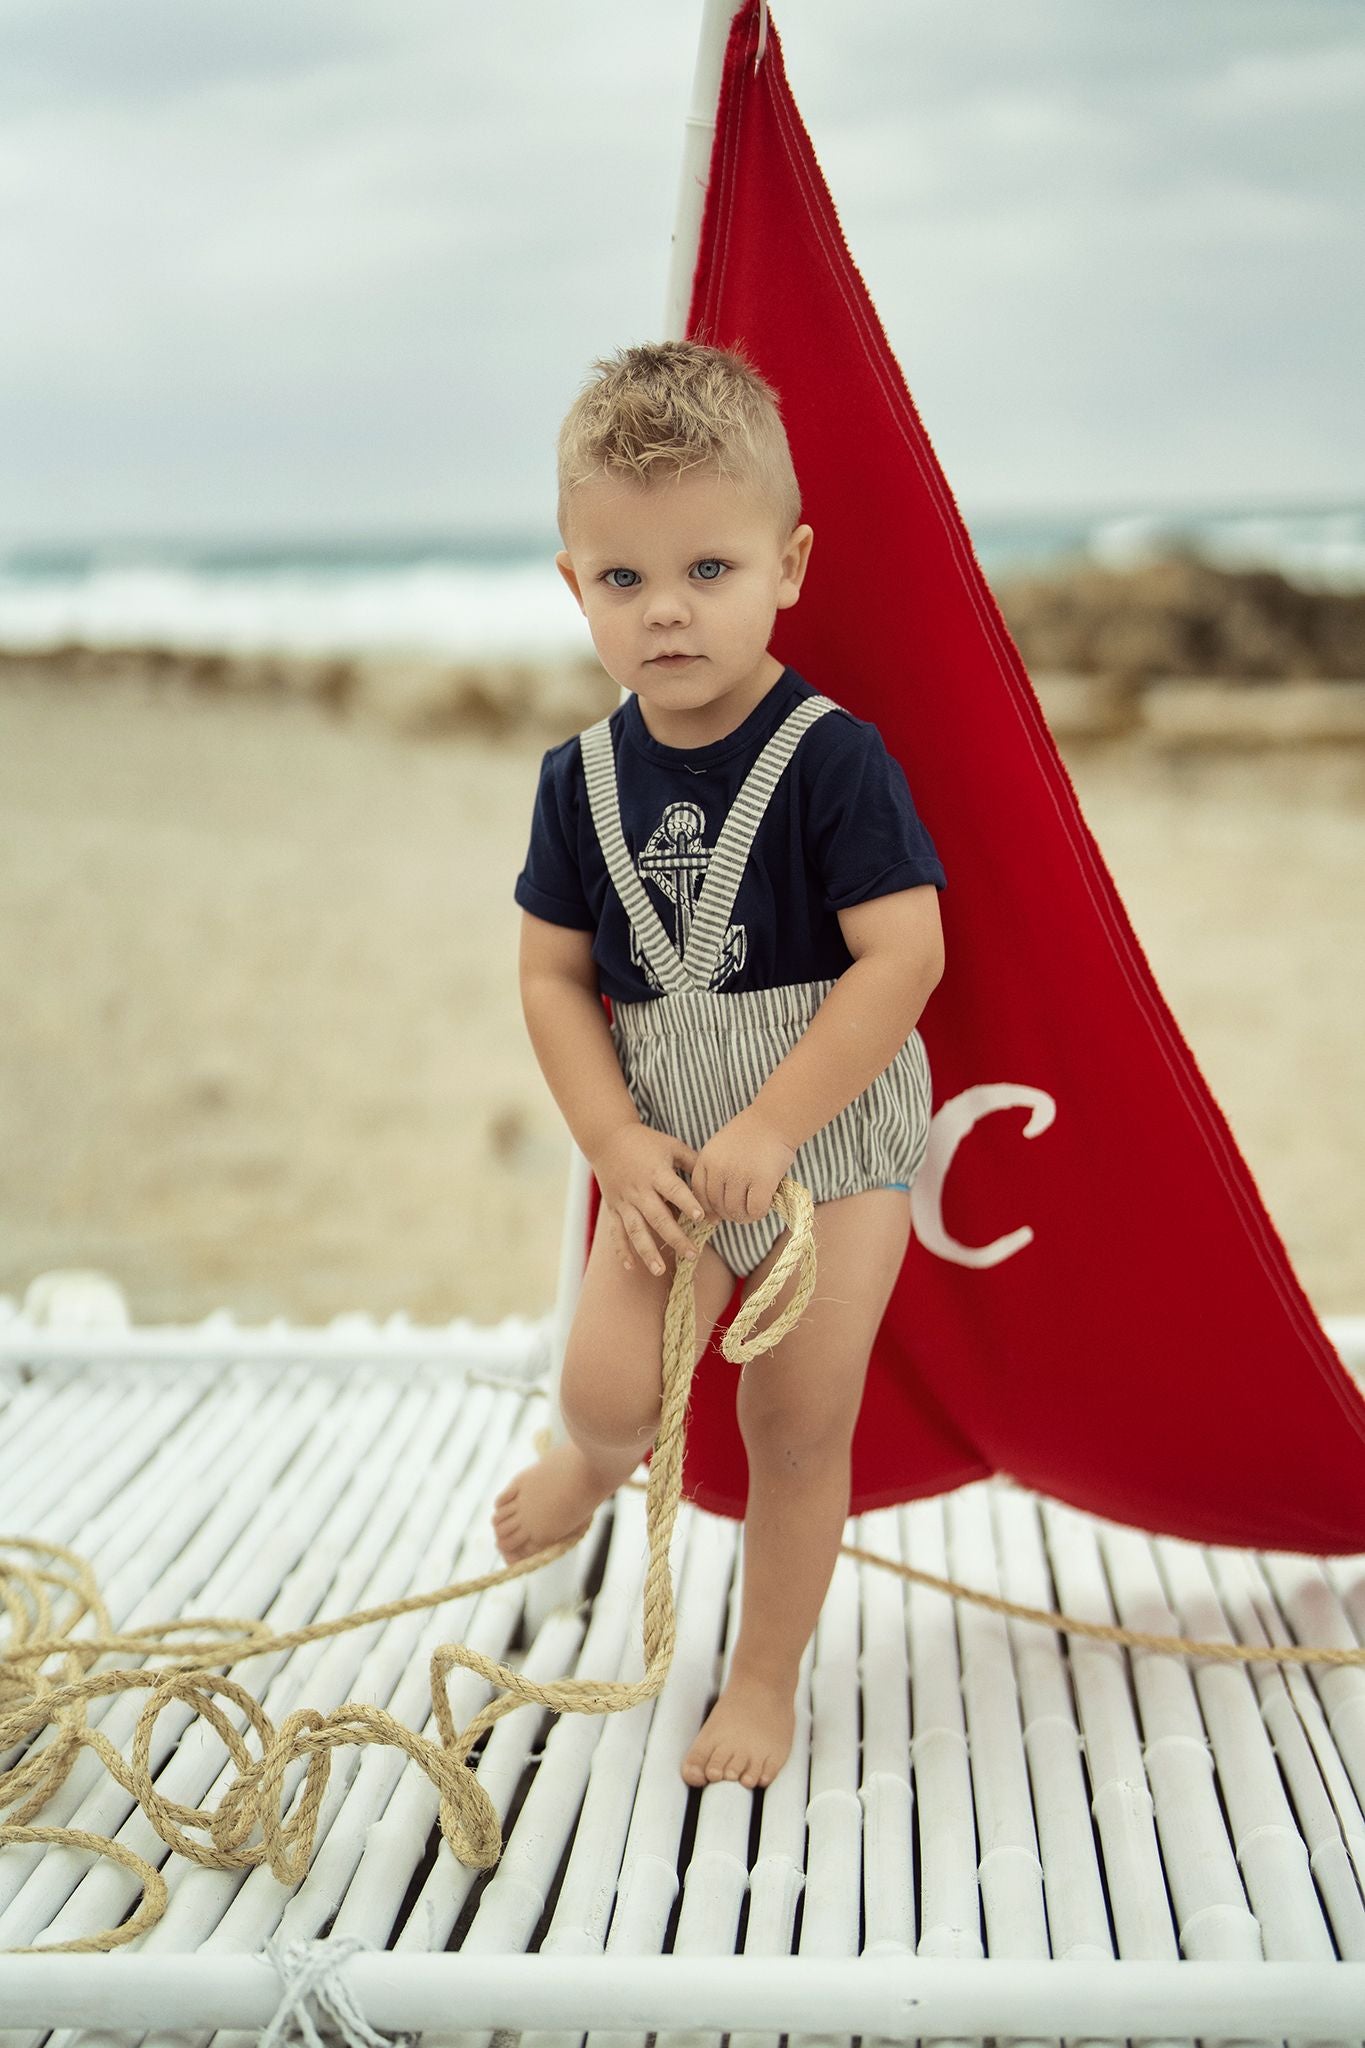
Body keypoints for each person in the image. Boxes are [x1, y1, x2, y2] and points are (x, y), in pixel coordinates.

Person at [493, 339, 947, 1792]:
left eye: (708, 569)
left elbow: (903, 959)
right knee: (615, 1387)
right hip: (665, 1133)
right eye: (623, 581)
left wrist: (776, 1119)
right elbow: (554, 977)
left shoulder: (833, 761)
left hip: (830, 1131)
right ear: (576, 587)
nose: (667, 610)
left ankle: (762, 1678)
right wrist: (618, 1142)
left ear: (786, 566)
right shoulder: (579, 782)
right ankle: (589, 1463)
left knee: (791, 1423)